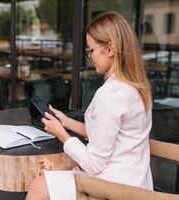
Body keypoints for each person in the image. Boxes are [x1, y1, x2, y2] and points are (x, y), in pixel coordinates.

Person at [26, 11, 153, 200]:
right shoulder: (135, 87)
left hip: (113, 187)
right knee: (55, 174)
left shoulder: (110, 95)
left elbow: (94, 164)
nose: (90, 56)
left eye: (91, 50)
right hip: (136, 182)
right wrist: (66, 121)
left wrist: (61, 133)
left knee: (38, 186)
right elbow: (107, 135)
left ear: (110, 49)